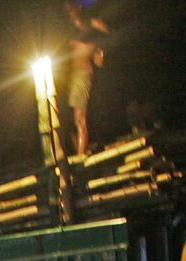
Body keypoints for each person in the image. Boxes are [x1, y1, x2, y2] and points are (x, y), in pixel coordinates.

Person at [64, 2, 110, 157]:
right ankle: (79, 154)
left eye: (72, 7)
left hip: (82, 74)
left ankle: (81, 157)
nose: (70, 11)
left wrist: (99, 51)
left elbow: (107, 32)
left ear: (79, 8)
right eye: (68, 9)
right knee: (68, 122)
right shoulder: (67, 28)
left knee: (79, 119)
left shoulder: (91, 24)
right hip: (68, 76)